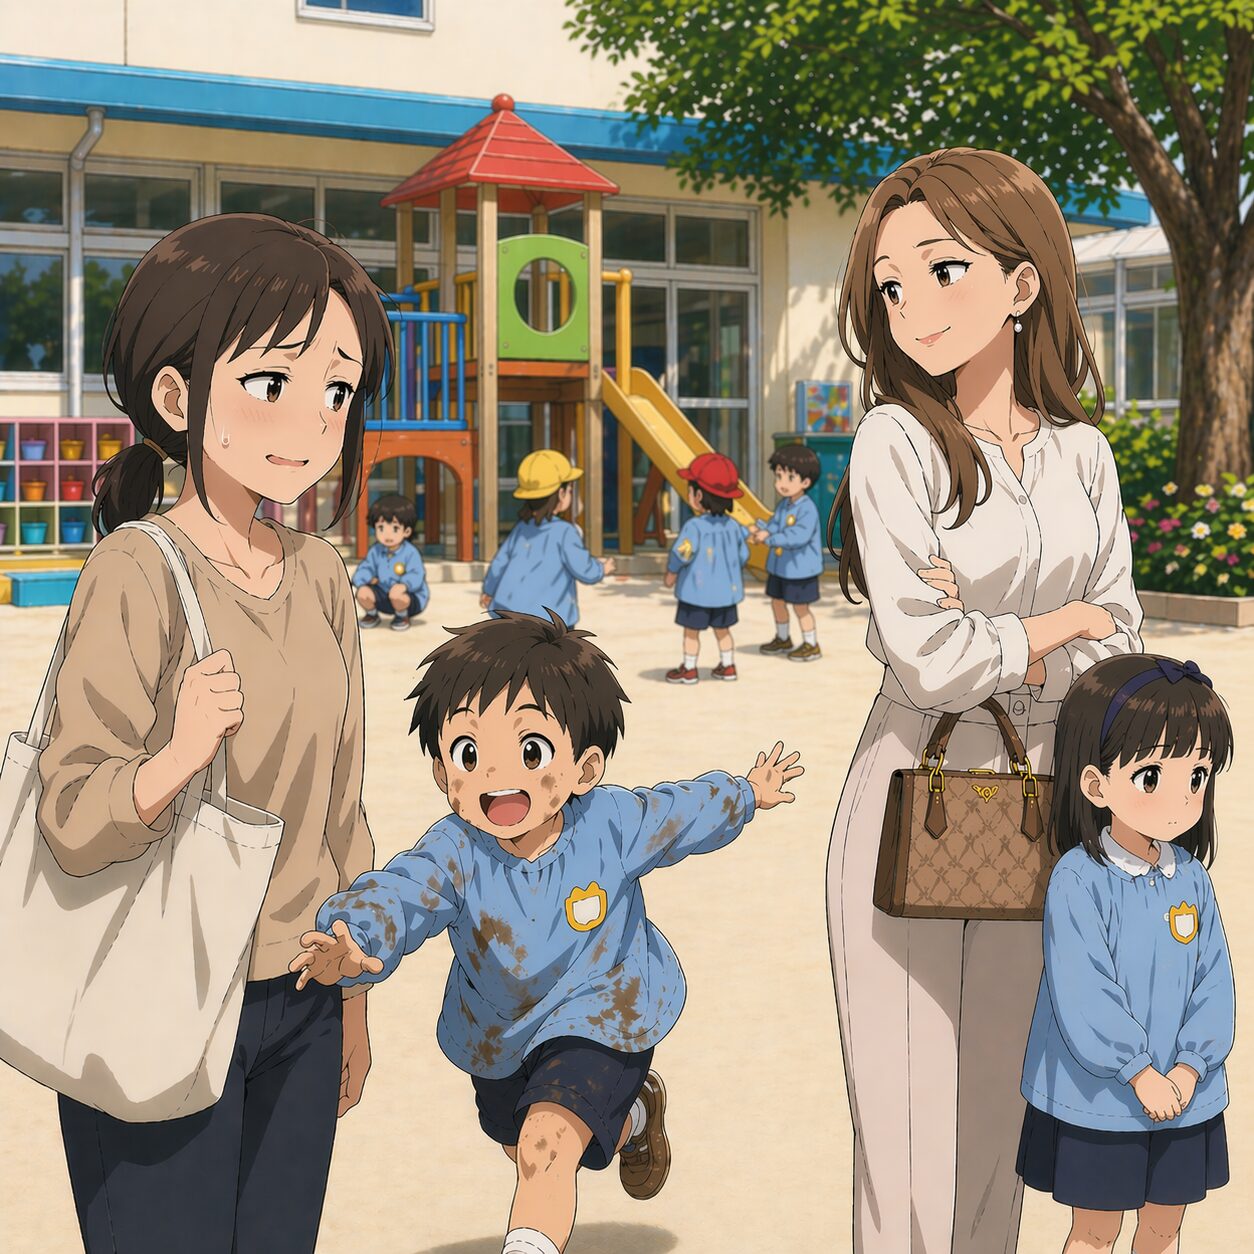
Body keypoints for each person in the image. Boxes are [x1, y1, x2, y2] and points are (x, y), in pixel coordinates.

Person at [37, 213, 391, 1253]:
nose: (313, 422)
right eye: (274, 384)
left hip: (305, 996)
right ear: (179, 397)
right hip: (159, 999)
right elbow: (71, 814)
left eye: (337, 391)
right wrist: (178, 755)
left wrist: (355, 998)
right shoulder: (136, 571)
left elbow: (342, 805)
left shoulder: (323, 574)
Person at [824, 148, 1145, 1253]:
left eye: (942, 270)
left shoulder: (1083, 457)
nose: (911, 309)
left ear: (1023, 284)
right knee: (905, 1130)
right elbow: (928, 662)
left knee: (1001, 1121)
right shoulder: (895, 443)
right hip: (915, 787)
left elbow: (1128, 642)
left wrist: (1000, 633)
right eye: (891, 287)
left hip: (1047, 798)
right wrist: (1057, 625)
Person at [289, 611, 804, 1254]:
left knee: (546, 1145)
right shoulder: (455, 850)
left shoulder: (610, 821)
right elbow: (402, 891)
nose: (497, 778)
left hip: (603, 1013)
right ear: (441, 773)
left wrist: (746, 793)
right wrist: (355, 935)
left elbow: (681, 812)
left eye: (529, 750)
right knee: (526, 1144)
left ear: (583, 769)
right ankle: (637, 1110)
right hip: (500, 1035)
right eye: (470, 753)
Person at [1017, 654, 1233, 1254]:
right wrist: (1138, 1071)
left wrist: (1190, 1066)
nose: (1182, 799)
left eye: (1197, 777)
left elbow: (1214, 981)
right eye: (1150, 777)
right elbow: (1083, 990)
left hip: (1185, 1096)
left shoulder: (1191, 877)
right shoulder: (1078, 879)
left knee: (1165, 1226)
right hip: (1103, 1100)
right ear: (1094, 783)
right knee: (1095, 1231)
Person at [480, 449, 614, 625]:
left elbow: (500, 562)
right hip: (550, 620)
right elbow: (584, 570)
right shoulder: (565, 532)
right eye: (570, 490)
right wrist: (602, 568)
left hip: (509, 613)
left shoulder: (521, 528)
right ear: (561, 493)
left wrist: (489, 590)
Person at [664, 452, 750, 683]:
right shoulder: (734, 526)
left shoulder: (694, 526)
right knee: (723, 631)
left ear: (698, 495)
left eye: (690, 490)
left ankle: (690, 669)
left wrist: (672, 572)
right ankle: (728, 665)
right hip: (726, 594)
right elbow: (743, 554)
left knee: (691, 632)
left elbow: (682, 553)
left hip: (696, 594)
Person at [749, 443, 824, 661]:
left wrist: (769, 538)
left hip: (800, 570)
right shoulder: (784, 505)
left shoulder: (807, 508)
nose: (782, 483)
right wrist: (761, 529)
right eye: (779, 476)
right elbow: (775, 525)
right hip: (780, 568)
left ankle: (811, 643)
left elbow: (797, 536)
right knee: (777, 602)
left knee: (801, 607)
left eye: (789, 477)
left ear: (805, 482)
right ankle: (783, 638)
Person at [352, 491, 430, 631]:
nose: (387, 534)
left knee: (397, 594)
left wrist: (404, 584)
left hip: (409, 598)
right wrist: (364, 579)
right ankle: (372, 614)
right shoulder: (375, 551)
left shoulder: (410, 552)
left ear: (406, 531)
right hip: (383, 595)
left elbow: (417, 574)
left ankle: (402, 616)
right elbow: (365, 568)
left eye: (395, 528)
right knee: (362, 592)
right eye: (381, 528)